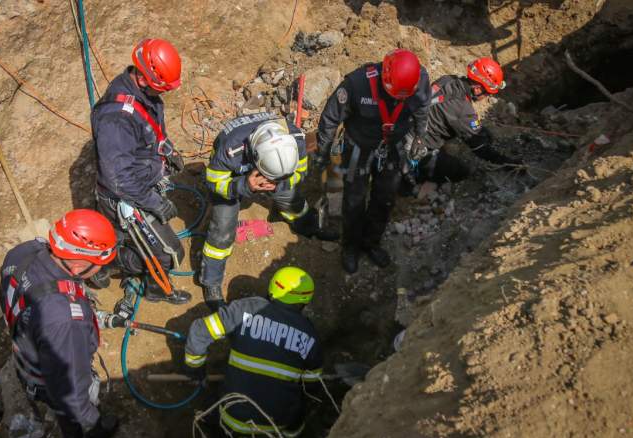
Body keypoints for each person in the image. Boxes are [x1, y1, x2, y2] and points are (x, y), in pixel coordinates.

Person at [0, 209, 119, 438]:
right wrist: (91, 422)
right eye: (97, 264)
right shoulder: (65, 319)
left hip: (27, 348)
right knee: (70, 415)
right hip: (47, 376)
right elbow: (71, 392)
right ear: (77, 266)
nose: (101, 270)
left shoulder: (22, 252)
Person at [200, 113, 338, 310]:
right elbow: (214, 183)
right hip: (233, 178)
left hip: (274, 173)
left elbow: (299, 173)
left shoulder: (294, 140)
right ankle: (211, 281)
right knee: (222, 230)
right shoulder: (230, 150)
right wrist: (244, 186)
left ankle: (309, 226)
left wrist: (276, 185)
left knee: (293, 201)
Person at [91, 38, 190, 304]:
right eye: (162, 88)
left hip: (139, 186)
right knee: (168, 253)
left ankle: (114, 258)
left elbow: (150, 130)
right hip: (125, 196)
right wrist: (154, 203)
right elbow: (118, 178)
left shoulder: (145, 96)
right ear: (145, 79)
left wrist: (168, 151)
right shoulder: (116, 119)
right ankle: (127, 274)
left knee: (133, 240)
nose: (165, 94)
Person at [314, 49, 432, 274]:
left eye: (405, 96)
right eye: (397, 95)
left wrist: (419, 136)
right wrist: (322, 152)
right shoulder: (356, 84)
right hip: (359, 147)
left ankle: (371, 242)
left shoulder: (420, 80)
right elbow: (330, 119)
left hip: (393, 147)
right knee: (354, 201)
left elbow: (423, 108)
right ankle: (350, 247)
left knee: (385, 199)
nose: (400, 99)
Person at [184, 266, 323, 438]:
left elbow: (199, 332)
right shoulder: (310, 336)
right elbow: (311, 388)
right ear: (304, 302)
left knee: (209, 404)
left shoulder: (245, 309)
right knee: (300, 413)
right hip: (275, 427)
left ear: (272, 289)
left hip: (231, 419)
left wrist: (196, 371)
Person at [409, 57, 514, 185]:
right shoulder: (463, 110)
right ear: (477, 89)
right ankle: (415, 181)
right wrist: (507, 162)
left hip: (408, 127)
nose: (488, 97)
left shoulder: (448, 79)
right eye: (487, 93)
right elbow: (480, 148)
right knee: (461, 172)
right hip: (415, 149)